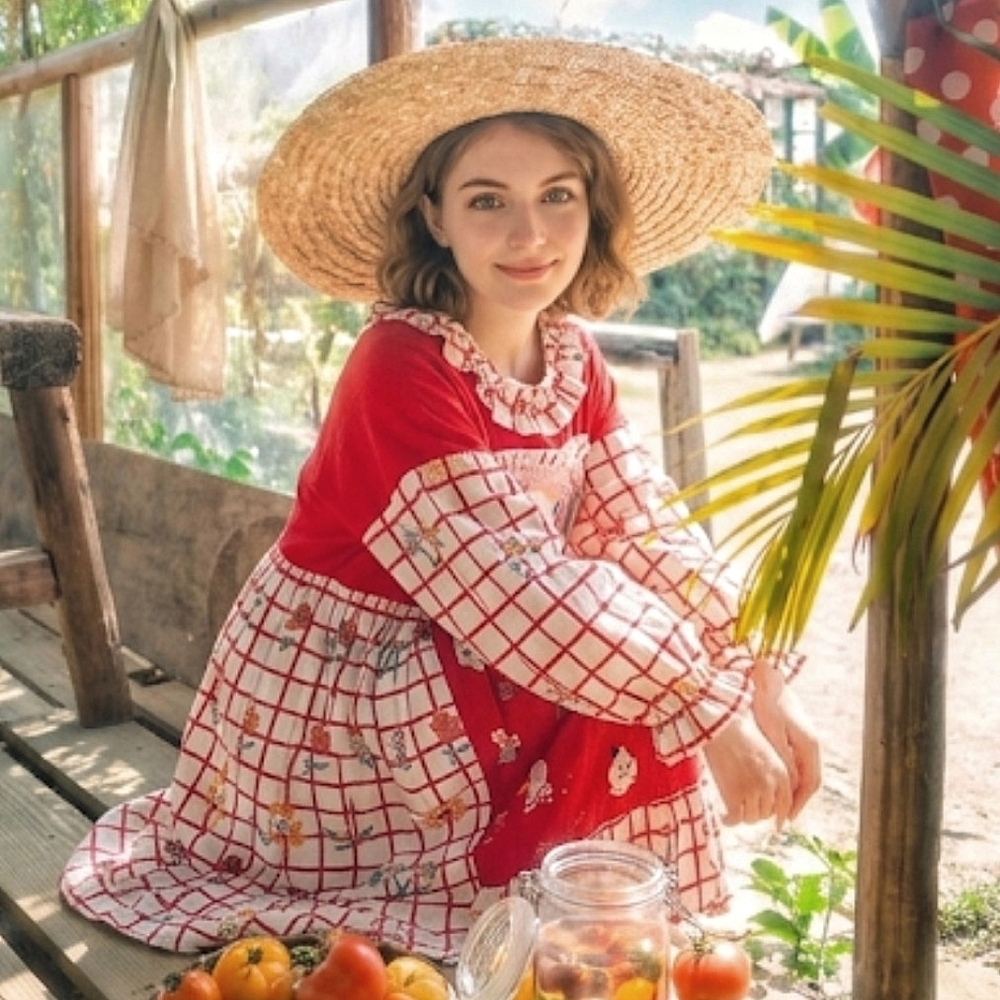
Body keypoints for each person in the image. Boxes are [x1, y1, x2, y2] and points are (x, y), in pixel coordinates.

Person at [60, 37, 821, 961]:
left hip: (479, 653)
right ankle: (545, 915)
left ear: (592, 210)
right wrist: (709, 713)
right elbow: (525, 594)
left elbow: (644, 530)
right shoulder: (402, 365)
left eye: (557, 197)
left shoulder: (574, 359)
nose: (528, 235)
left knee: (626, 650)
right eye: (487, 200)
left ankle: (586, 923)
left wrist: (757, 671)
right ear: (435, 215)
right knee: (616, 671)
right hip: (352, 702)